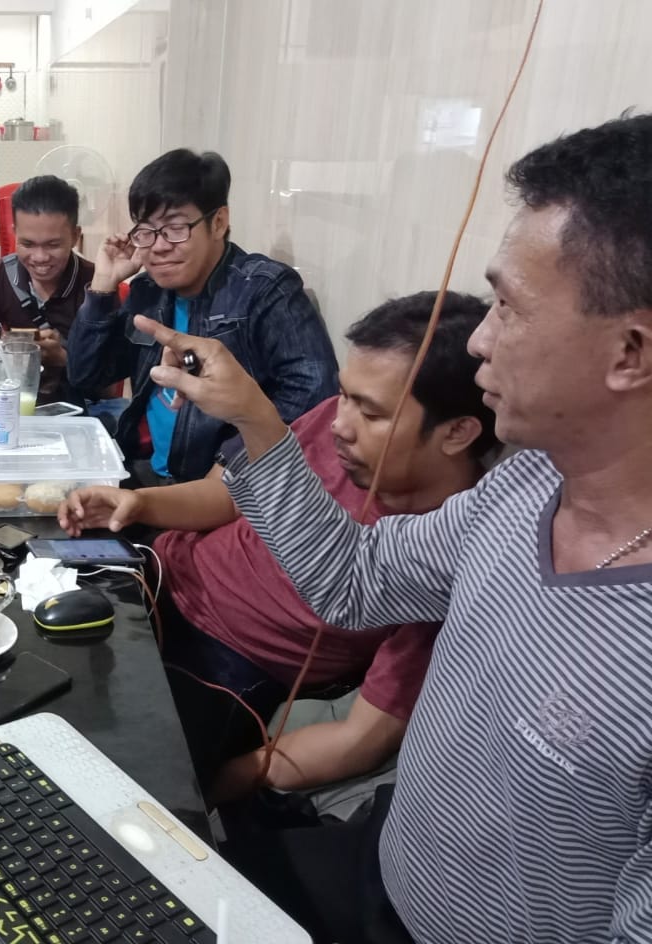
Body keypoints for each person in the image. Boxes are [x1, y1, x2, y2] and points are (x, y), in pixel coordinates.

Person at [140, 114, 652, 944]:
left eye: (511, 308)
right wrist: (260, 421)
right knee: (138, 891)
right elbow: (354, 579)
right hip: (379, 870)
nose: (480, 340)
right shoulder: (526, 485)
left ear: (630, 352)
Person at [60, 292, 497, 797]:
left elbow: (361, 739)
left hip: (226, 665)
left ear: (458, 432)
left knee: (99, 784)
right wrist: (138, 503)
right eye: (345, 395)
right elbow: (231, 495)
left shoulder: (449, 552)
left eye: (373, 414)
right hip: (159, 576)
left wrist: (207, 791)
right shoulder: (336, 423)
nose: (340, 424)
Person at [66, 148, 338, 484]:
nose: (159, 246)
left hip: (226, 489)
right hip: (150, 471)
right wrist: (103, 286)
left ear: (218, 222)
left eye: (175, 227)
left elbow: (316, 395)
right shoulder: (148, 291)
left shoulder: (265, 290)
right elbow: (86, 375)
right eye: (146, 230)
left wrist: (230, 464)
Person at [0, 175, 95, 405]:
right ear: (14, 233)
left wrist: (64, 358)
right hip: (14, 403)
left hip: (81, 409)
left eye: (53, 245)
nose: (40, 258)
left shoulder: (95, 285)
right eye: (27, 244)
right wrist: (13, 354)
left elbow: (108, 389)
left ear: (75, 236)